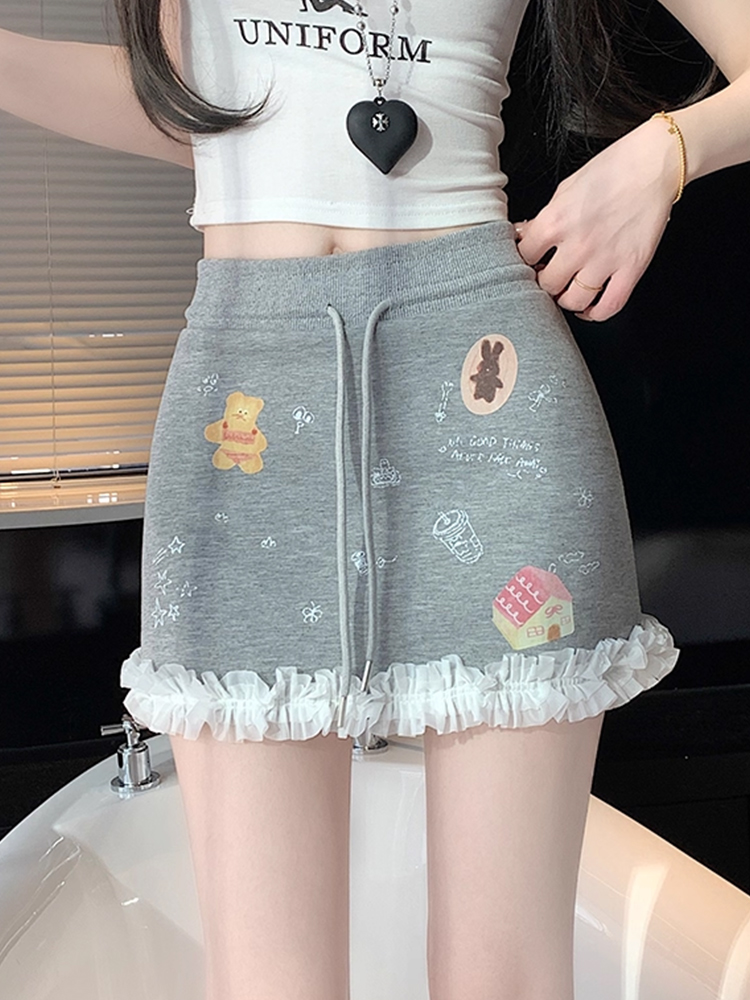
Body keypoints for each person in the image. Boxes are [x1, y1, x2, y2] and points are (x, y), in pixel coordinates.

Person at [2, 1, 748, 997]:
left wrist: (663, 154)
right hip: (246, 402)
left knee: (503, 981)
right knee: (268, 983)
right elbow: (198, 103)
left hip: (487, 393)